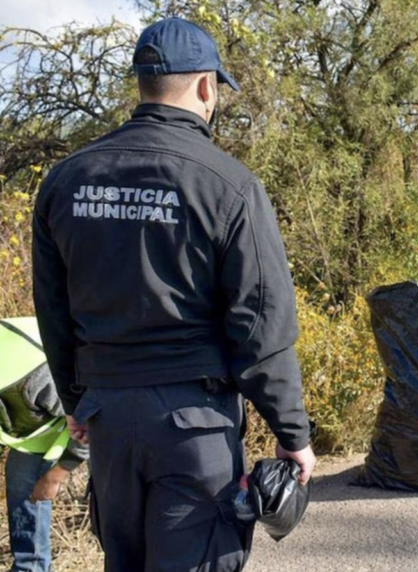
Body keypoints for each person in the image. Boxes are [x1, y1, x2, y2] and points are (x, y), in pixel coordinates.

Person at [32, 17, 315, 572]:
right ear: (207, 87)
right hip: (195, 425)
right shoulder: (228, 184)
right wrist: (292, 433)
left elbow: (54, 310)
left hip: (110, 415)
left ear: (143, 85)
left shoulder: (66, 180)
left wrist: (77, 401)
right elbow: (260, 326)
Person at [0, 317, 88, 572]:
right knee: (21, 482)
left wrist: (56, 475)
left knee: (111, 509)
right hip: (36, 421)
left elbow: (92, 424)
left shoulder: (37, 375)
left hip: (97, 414)